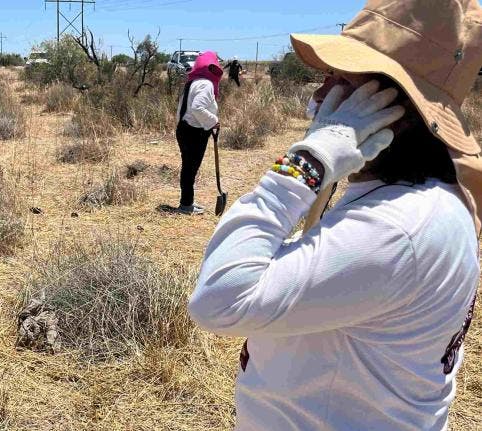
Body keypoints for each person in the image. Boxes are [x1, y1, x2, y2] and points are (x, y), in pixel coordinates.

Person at [188, 0, 482, 429]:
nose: (320, 93)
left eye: (341, 78)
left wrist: (307, 162)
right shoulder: (416, 199)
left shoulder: (397, 227)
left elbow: (220, 299)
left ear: (393, 108)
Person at [175, 51, 222, 215]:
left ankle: (187, 202)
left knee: (189, 168)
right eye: (214, 67)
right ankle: (186, 205)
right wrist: (213, 121)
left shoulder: (194, 82)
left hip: (185, 129)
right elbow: (197, 107)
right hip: (194, 132)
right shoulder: (205, 84)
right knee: (190, 168)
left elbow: (182, 108)